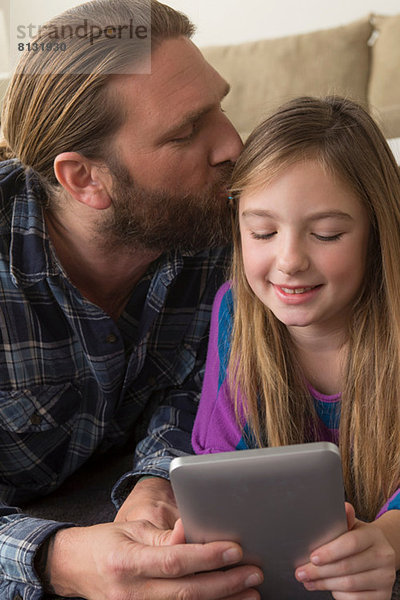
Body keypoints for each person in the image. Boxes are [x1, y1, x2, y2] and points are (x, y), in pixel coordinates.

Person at [0, 0, 265, 598]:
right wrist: (59, 559)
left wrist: (155, 481)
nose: (234, 145)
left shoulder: (219, 226)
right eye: (186, 131)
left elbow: (198, 384)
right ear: (85, 179)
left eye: (220, 107)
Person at [192, 95, 400, 599]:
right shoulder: (234, 313)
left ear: (377, 231)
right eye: (263, 231)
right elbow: (218, 470)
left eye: (326, 234)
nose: (288, 261)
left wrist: (389, 540)